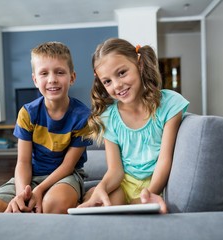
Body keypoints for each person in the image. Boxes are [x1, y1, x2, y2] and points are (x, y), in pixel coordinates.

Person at [0, 41, 92, 214]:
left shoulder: (83, 116)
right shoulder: (27, 113)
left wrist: (39, 190)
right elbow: (23, 162)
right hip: (30, 176)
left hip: (66, 176)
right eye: (44, 73)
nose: (52, 79)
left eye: (60, 72)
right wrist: (21, 195)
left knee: (52, 205)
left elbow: (68, 166)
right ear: (35, 80)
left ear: (72, 77)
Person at [78, 38, 189, 214]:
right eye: (107, 81)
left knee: (136, 213)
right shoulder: (109, 117)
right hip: (123, 186)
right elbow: (115, 171)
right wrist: (102, 187)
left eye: (121, 73)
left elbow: (164, 160)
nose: (117, 85)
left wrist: (150, 193)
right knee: (98, 204)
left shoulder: (169, 104)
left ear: (140, 64)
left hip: (156, 185)